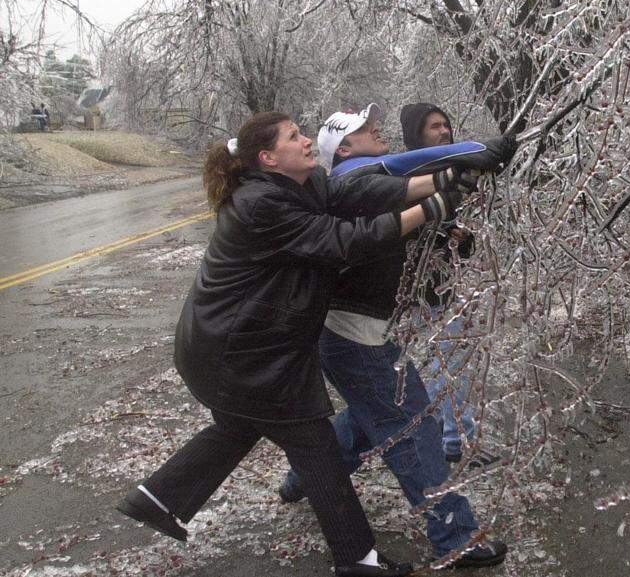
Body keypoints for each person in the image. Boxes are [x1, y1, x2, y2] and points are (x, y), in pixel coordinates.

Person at [114, 111, 469, 577]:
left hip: (242, 350)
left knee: (238, 429)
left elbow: (357, 191)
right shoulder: (262, 203)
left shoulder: (304, 186)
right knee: (316, 449)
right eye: (294, 136)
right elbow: (343, 242)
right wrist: (432, 208)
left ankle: (157, 498)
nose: (306, 140)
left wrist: (439, 176)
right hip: (239, 355)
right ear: (268, 158)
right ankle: (360, 560)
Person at [277, 103, 515, 569]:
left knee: (372, 417)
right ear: (344, 147)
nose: (376, 129)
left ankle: (305, 476)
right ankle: (456, 537)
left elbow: (409, 213)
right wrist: (470, 155)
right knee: (416, 427)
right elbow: (398, 180)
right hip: (355, 337)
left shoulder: (351, 182)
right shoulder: (353, 177)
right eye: (365, 128)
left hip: (354, 335)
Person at [399, 103, 497, 467]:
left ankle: (453, 438)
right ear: (416, 134)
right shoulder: (409, 177)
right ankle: (456, 441)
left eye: (446, 125)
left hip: (442, 285)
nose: (443, 132)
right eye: (434, 127)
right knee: (443, 366)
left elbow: (452, 234)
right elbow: (400, 229)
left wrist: (461, 238)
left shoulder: (447, 172)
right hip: (416, 293)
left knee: (446, 364)